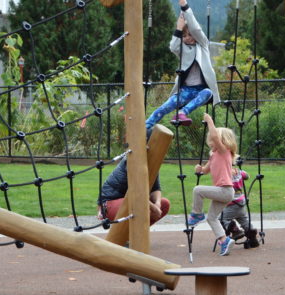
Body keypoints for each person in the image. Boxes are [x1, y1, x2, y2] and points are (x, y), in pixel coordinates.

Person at [145, 0, 220, 130]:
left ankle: (182, 113)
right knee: (165, 107)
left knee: (208, 92)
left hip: (201, 89)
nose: (188, 38)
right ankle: (146, 127)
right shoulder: (183, 49)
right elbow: (173, 46)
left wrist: (184, 6)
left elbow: (196, 29)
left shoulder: (203, 45)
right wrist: (179, 28)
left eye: (190, 35)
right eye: (184, 36)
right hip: (186, 90)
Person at [188, 113, 237, 256]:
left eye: (213, 140)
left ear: (222, 142)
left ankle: (197, 214)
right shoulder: (214, 155)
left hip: (225, 190)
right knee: (212, 218)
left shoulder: (224, 152)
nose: (211, 142)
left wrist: (209, 121)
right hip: (222, 192)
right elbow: (205, 171)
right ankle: (224, 241)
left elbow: (216, 136)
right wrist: (200, 170)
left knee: (197, 190)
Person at [96, 129, 170, 225]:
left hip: (131, 201)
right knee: (140, 207)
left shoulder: (152, 161)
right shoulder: (133, 159)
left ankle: (129, 237)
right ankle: (129, 236)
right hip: (110, 203)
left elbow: (156, 188)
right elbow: (135, 193)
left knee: (164, 204)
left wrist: (157, 204)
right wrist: (153, 207)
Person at [219, 167, 259, 248]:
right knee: (243, 220)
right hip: (241, 202)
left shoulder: (225, 174)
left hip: (231, 203)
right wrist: (240, 172)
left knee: (221, 220)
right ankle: (253, 238)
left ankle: (235, 230)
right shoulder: (240, 173)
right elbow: (247, 176)